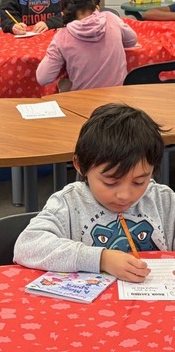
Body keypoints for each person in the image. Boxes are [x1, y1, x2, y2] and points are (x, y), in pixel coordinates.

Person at [13, 104, 175, 281]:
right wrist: (101, 259)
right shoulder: (70, 203)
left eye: (139, 182)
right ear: (80, 166)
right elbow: (26, 246)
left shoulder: (163, 201)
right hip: (90, 305)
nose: (125, 195)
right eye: (111, 182)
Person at [35, 0, 138, 90]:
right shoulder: (111, 17)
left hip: (84, 102)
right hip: (119, 100)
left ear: (63, 12)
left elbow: (43, 78)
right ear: (95, 5)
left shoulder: (62, 37)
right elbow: (132, 40)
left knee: (64, 85)